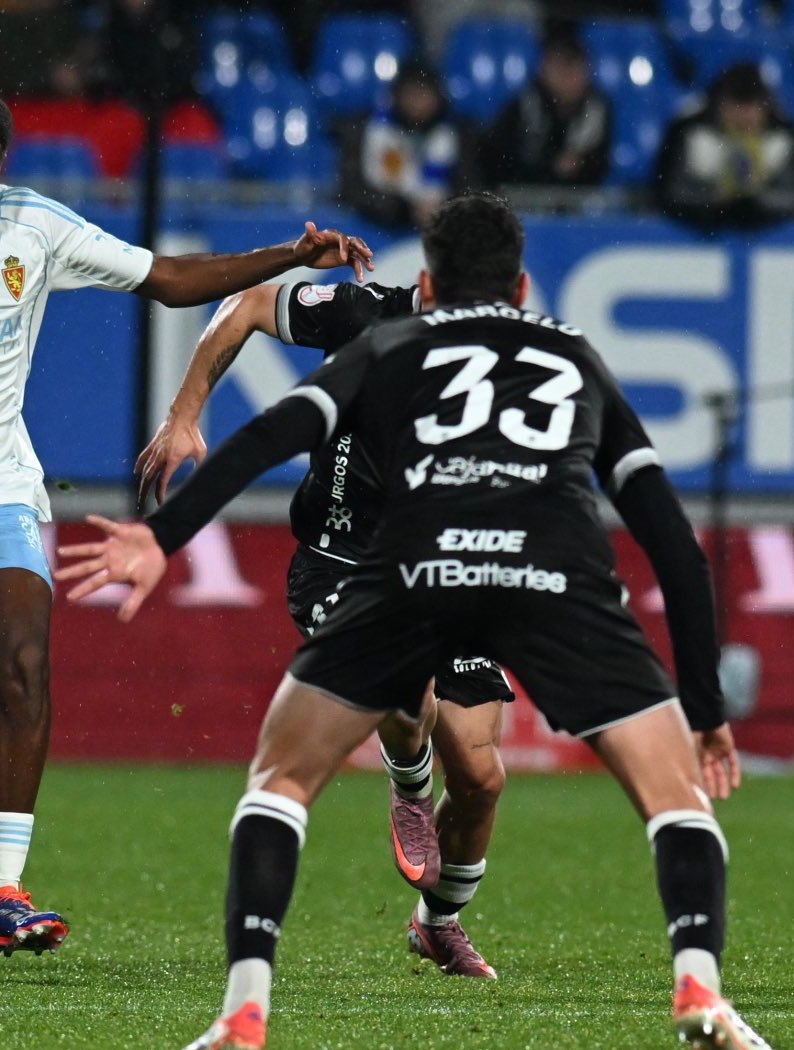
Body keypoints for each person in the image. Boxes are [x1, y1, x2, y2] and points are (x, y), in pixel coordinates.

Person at [55, 192, 781, 1050]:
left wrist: (162, 535)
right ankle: (699, 985)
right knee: (675, 796)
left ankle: (246, 1011)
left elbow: (283, 426)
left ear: (426, 281)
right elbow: (673, 544)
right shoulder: (572, 356)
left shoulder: (393, 341)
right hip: (542, 568)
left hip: (415, 564)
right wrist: (703, 709)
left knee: (291, 778)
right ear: (519, 285)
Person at [0, 80, 373, 977]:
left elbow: (167, 280)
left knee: (25, 658)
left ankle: (1, 894)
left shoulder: (34, 227)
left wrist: (288, 254)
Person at [135, 275, 515, 977]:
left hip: (447, 573)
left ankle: (437, 923)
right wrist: (186, 414)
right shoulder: (359, 313)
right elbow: (245, 304)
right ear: (427, 286)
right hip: (343, 562)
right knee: (406, 687)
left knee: (482, 774)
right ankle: (409, 790)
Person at [654, 62, 794, 234]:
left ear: (765, 107)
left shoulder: (781, 140)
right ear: (720, 104)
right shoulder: (691, 134)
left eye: (751, 105)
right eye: (736, 105)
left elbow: (793, 198)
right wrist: (717, 199)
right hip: (697, 235)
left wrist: (756, 201)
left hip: (767, 238)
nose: (744, 116)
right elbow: (669, 193)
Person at [338, 57, 481, 230]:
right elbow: (354, 191)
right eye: (411, 94)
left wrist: (444, 207)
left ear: (437, 96)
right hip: (382, 231)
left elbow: (471, 190)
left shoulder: (459, 134)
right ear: (397, 96)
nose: (417, 103)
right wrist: (404, 209)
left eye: (423, 94)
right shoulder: (366, 131)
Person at [478, 25, 612, 187]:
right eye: (559, 68)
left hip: (581, 197)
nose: (566, 78)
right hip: (526, 192)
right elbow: (500, 157)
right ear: (543, 69)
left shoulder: (598, 108)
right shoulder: (525, 104)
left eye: (574, 68)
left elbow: (601, 161)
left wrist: (580, 164)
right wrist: (548, 164)